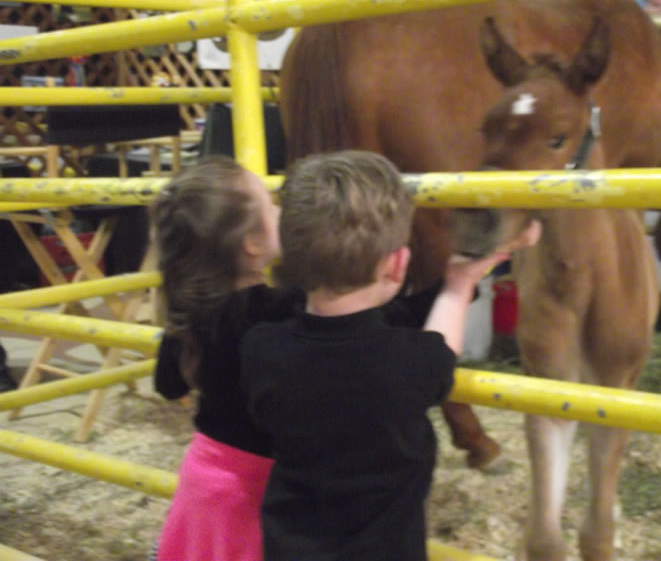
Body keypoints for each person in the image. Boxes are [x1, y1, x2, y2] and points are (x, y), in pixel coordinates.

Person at [240, 150, 541, 561]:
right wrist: (460, 282)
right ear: (398, 264)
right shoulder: (409, 362)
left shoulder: (261, 348)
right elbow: (440, 346)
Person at [150, 156, 283, 561]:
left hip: (205, 479)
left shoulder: (193, 310)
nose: (279, 209)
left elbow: (167, 384)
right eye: (270, 203)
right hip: (256, 489)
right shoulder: (280, 311)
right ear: (252, 244)